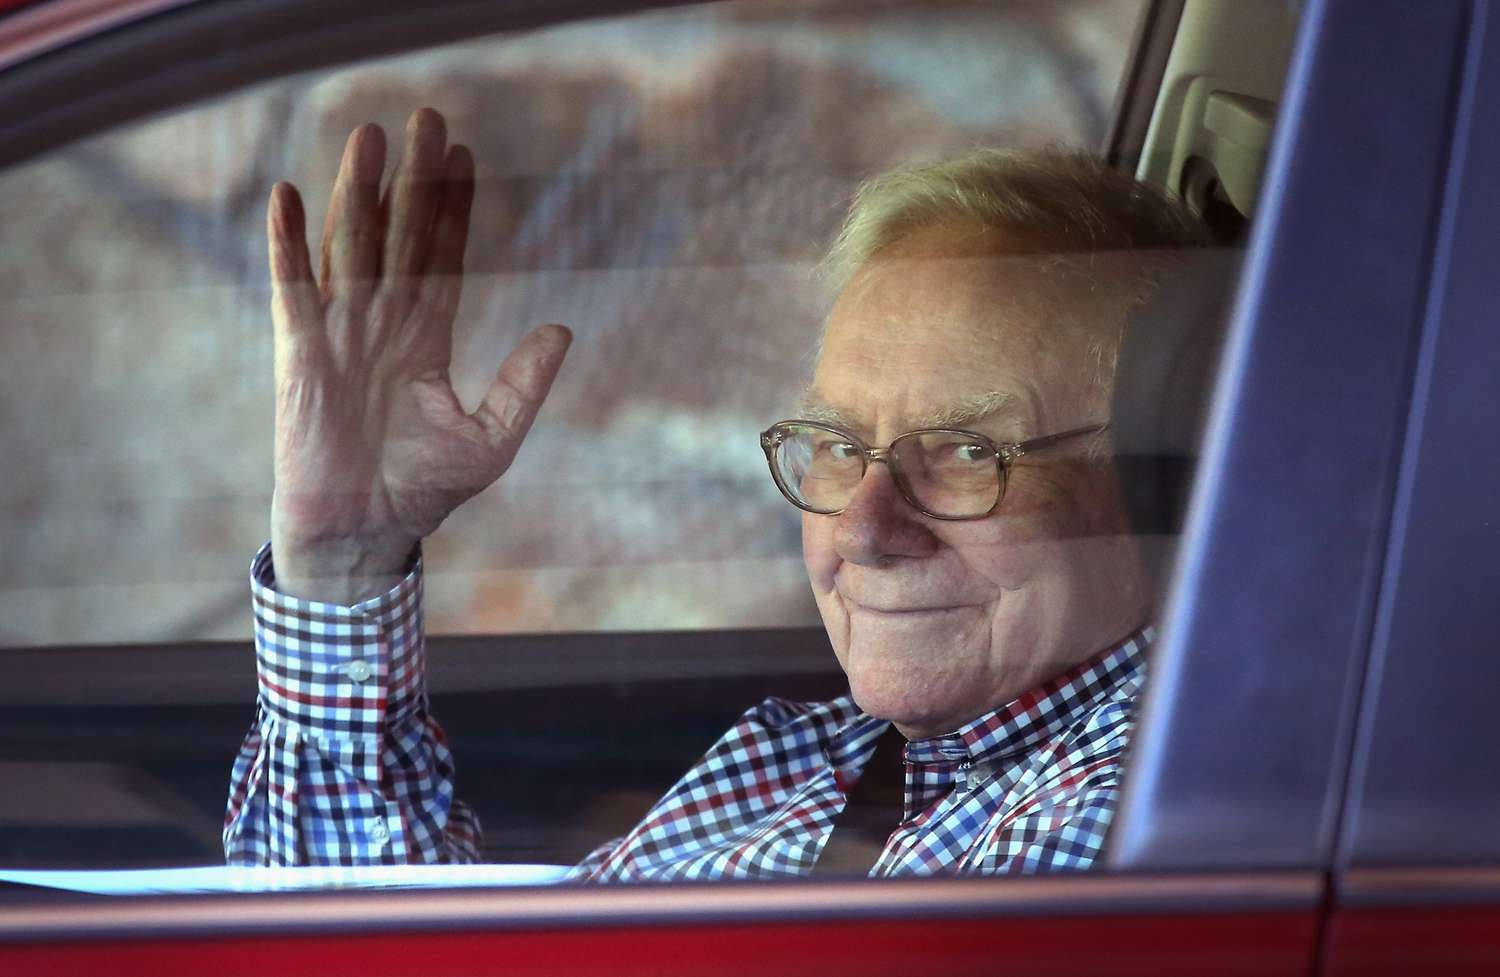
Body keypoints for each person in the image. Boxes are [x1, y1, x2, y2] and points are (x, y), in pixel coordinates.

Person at [224, 108, 1210, 877]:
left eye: (960, 452)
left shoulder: (1120, 812)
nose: (863, 528)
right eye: (835, 444)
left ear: (1161, 478)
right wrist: (342, 558)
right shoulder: (805, 755)